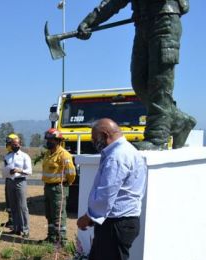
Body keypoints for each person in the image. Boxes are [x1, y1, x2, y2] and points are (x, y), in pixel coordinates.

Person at [76, 0, 195, 150]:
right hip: (142, 25)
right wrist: (90, 21)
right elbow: (113, 3)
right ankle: (179, 121)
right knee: (139, 82)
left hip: (165, 21)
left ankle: (157, 138)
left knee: (159, 83)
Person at [77, 118, 147, 260]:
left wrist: (88, 218)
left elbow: (107, 194)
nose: (93, 143)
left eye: (94, 138)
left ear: (106, 135)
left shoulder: (117, 156)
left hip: (116, 223)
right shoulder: (127, 151)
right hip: (120, 222)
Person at [41, 129, 76, 246]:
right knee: (49, 214)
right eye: (47, 140)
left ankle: (61, 240)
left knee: (58, 214)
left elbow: (71, 173)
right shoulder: (47, 153)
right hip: (48, 187)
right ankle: (51, 237)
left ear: (58, 141)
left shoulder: (64, 155)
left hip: (58, 187)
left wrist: (66, 183)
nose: (48, 142)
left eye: (51, 140)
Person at [2, 137, 32, 238]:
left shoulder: (25, 156)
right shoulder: (7, 156)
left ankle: (25, 229)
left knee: (22, 206)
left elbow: (29, 171)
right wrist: (7, 172)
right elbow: (4, 169)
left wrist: (19, 170)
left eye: (16, 144)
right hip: (10, 181)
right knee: (13, 206)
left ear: (20, 144)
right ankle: (16, 228)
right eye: (12, 144)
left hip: (20, 181)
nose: (14, 146)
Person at [4, 133, 19, 227]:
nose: (7, 145)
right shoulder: (8, 155)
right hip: (8, 179)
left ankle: (14, 221)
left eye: (9, 143)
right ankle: (10, 220)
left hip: (15, 181)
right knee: (8, 201)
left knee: (14, 202)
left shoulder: (18, 155)